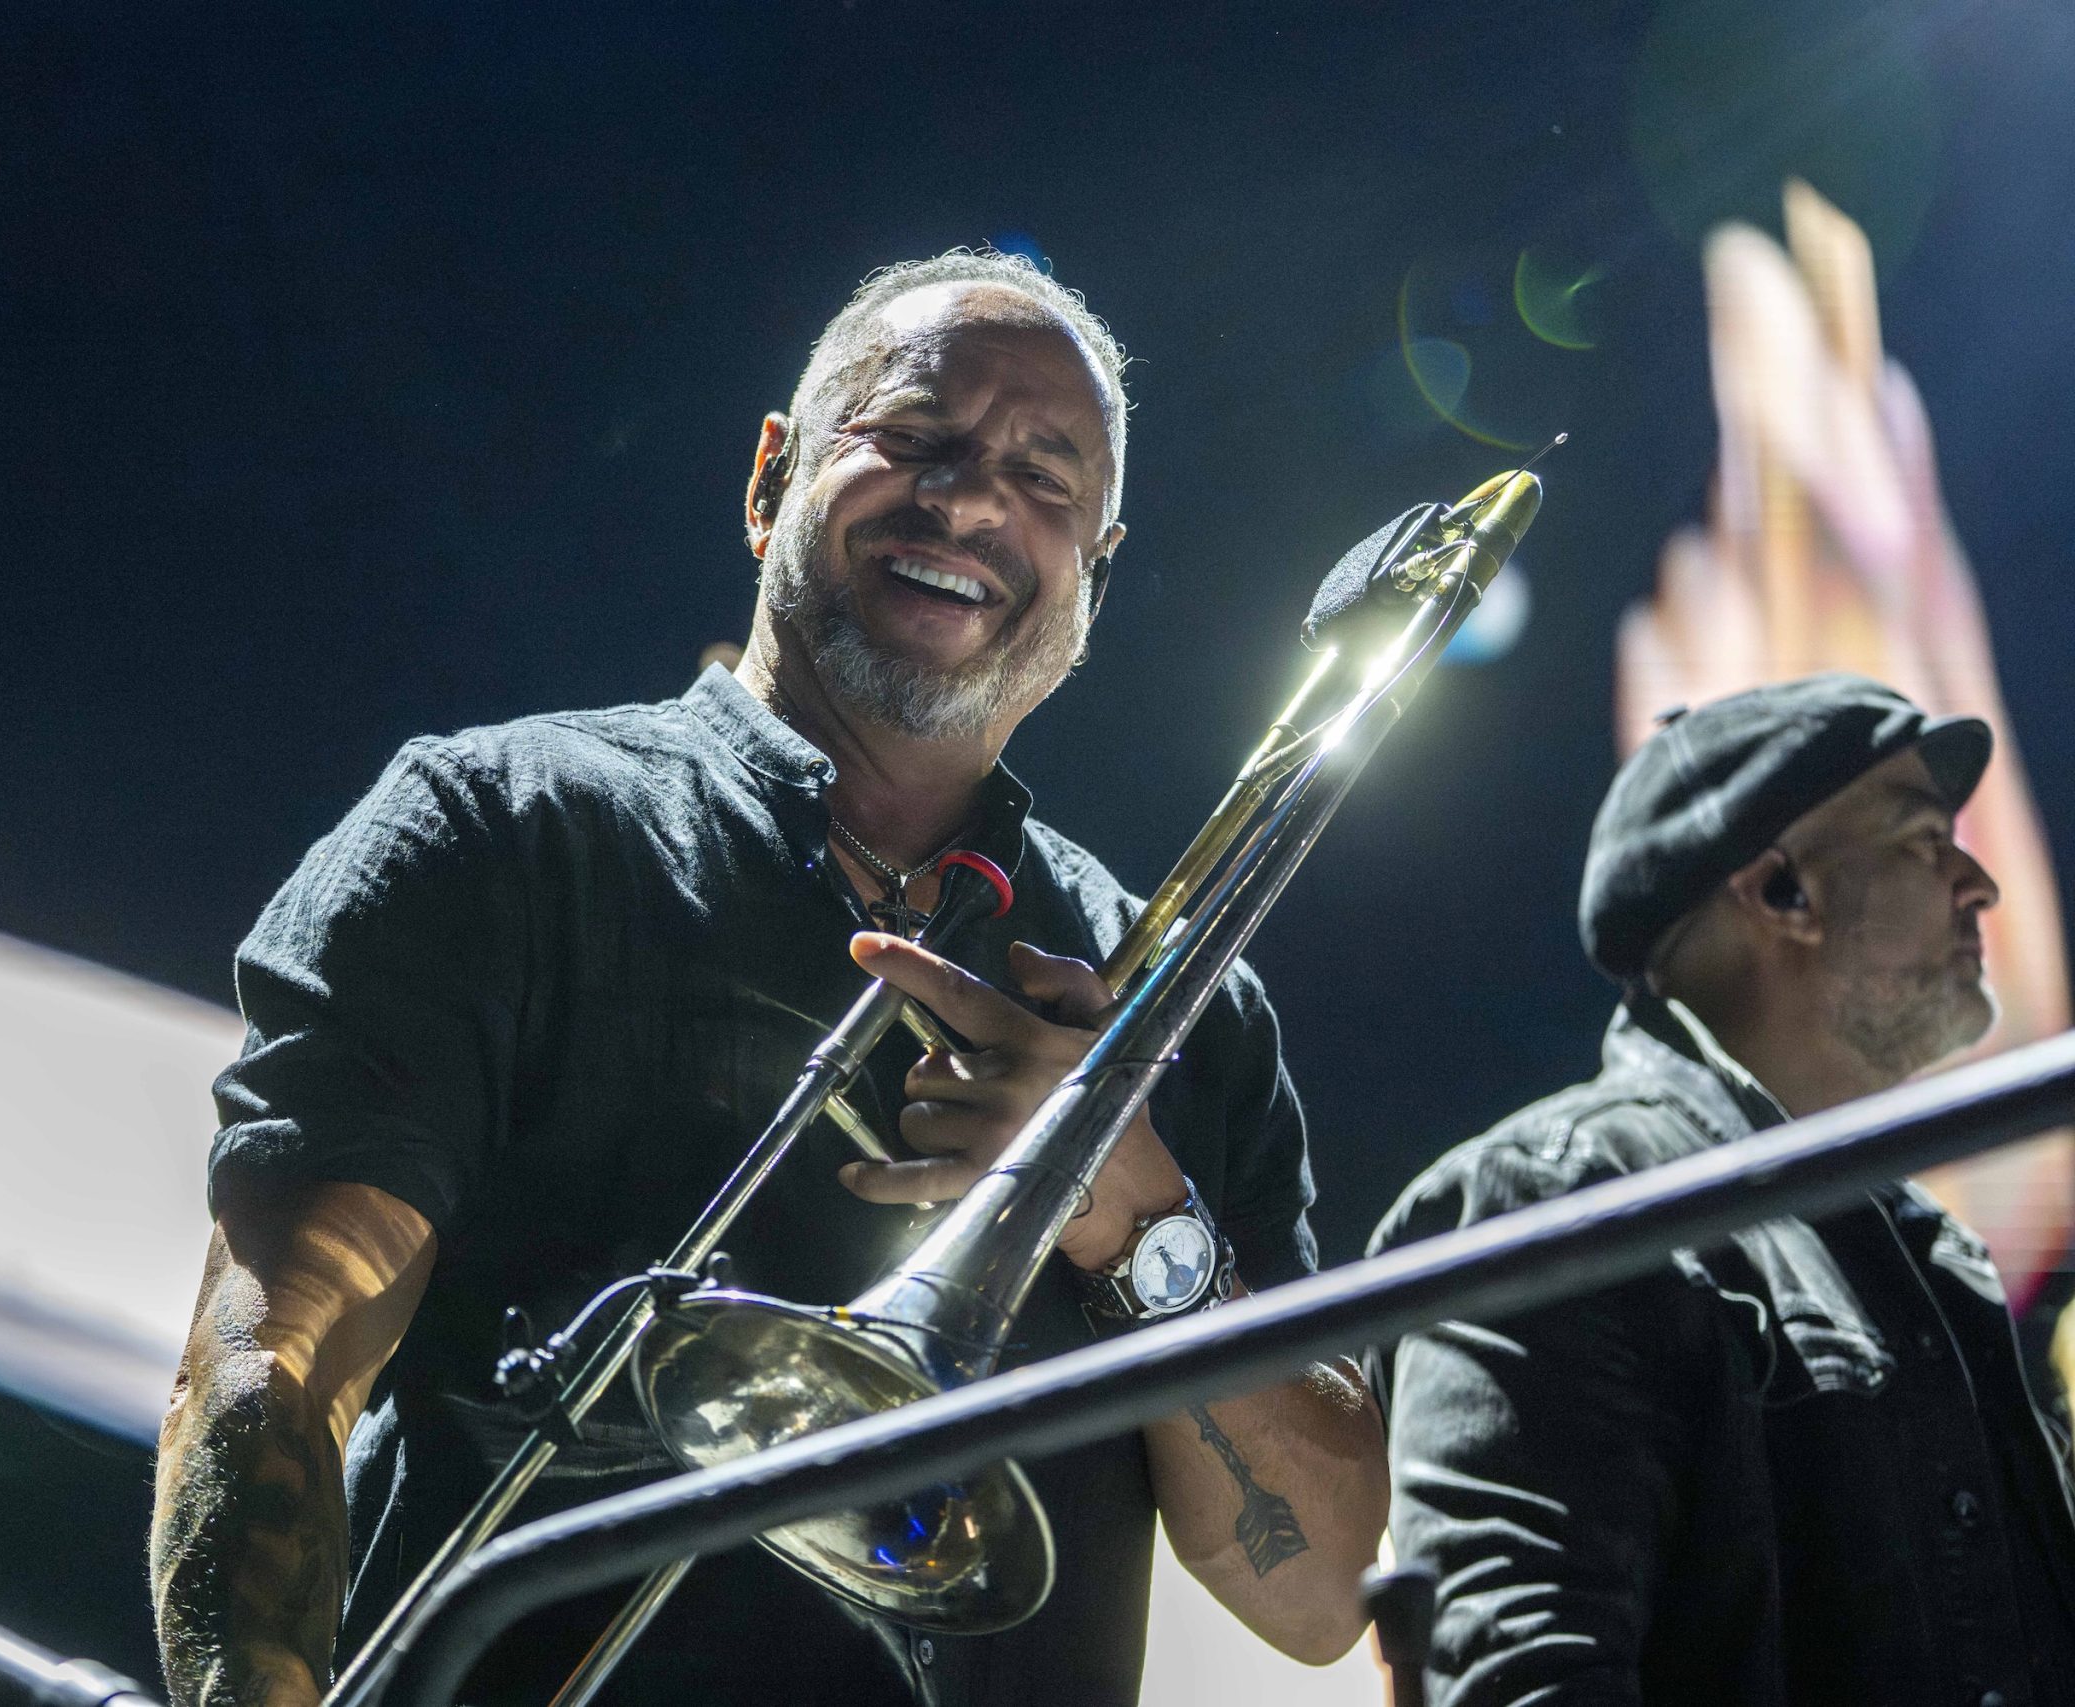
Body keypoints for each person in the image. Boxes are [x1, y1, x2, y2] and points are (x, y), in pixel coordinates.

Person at [149, 249, 1389, 1707]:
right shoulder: (496, 830)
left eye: (1047, 477)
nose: (973, 498)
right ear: (769, 479)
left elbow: (1319, 1595)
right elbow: (273, 1358)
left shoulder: (1185, 1007)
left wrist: (1131, 1206)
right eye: (915, 436)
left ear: (1095, 578)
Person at [1368, 673, 2075, 1706]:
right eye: (1927, 841)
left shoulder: (1932, 1256)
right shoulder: (1562, 1196)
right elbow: (1522, 1683)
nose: (1979, 885)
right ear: (1781, 891)